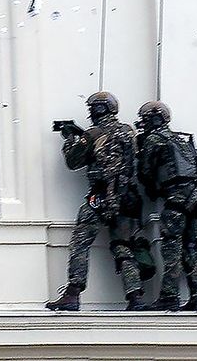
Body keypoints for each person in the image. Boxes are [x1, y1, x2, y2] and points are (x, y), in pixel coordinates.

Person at [46, 92, 145, 312]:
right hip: (127, 198)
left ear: (96, 110)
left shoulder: (92, 134)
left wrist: (70, 139)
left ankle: (72, 294)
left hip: (99, 198)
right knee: (124, 247)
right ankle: (135, 296)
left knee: (80, 243)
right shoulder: (129, 131)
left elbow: (73, 162)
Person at [136, 101, 197, 312]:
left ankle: (169, 296)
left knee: (172, 248)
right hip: (196, 201)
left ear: (154, 118)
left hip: (175, 200)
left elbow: (145, 172)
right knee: (190, 248)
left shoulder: (154, 139)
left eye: (146, 118)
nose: (144, 123)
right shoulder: (184, 139)